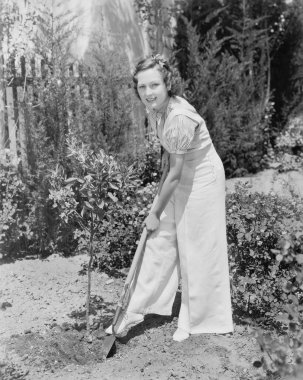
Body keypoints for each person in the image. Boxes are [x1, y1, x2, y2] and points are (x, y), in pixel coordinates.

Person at [106, 54, 233, 342]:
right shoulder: (157, 110)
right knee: (158, 239)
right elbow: (170, 163)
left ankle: (192, 318)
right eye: (142, 87)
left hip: (203, 179)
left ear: (167, 84)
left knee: (194, 246)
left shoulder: (178, 116)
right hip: (179, 175)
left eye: (154, 85)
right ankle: (134, 310)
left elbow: (176, 173)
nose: (148, 93)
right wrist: (158, 204)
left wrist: (154, 211)